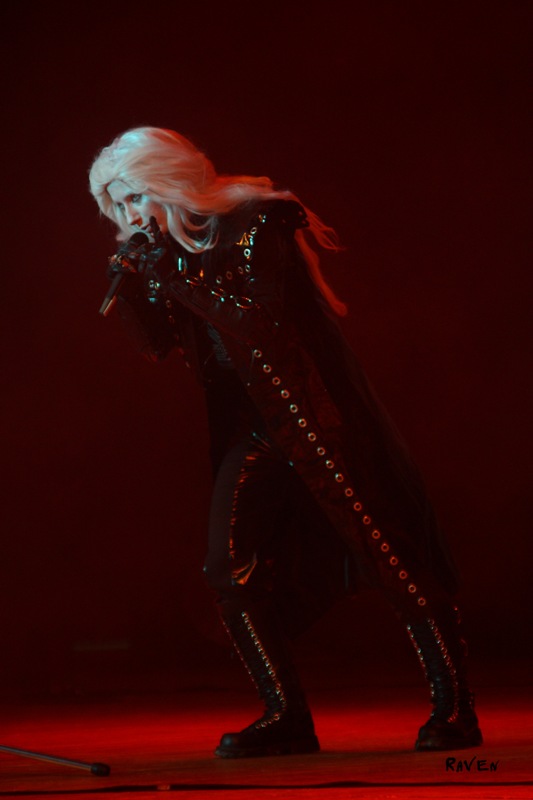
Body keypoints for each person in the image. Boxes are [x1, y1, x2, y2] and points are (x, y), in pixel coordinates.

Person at [88, 126, 482, 758]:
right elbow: (161, 345)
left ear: (167, 180)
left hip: (317, 413)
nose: (131, 215)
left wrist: (173, 275)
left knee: (389, 552)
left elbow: (262, 325)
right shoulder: (171, 251)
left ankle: (456, 708)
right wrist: (133, 290)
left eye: (135, 197)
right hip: (252, 425)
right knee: (228, 567)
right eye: (119, 205)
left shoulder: (257, 222)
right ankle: (285, 716)